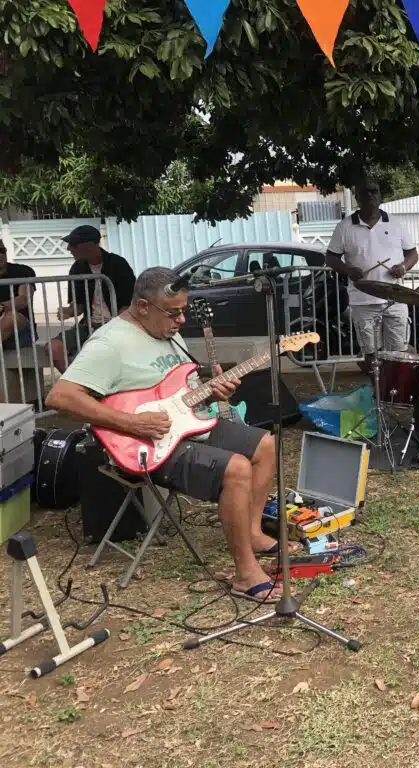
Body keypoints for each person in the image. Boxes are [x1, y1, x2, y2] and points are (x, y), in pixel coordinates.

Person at [45, 267, 293, 603]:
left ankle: (252, 533)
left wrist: (212, 391)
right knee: (236, 468)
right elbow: (60, 397)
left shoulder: (166, 333)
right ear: (142, 306)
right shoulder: (109, 343)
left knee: (265, 444)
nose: (181, 320)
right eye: (173, 312)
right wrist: (131, 423)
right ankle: (245, 575)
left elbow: (178, 392)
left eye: (183, 311)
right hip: (142, 444)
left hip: (183, 426)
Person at [326, 178, 419, 371]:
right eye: (364, 192)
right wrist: (348, 270)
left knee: (399, 351)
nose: (370, 196)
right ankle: (377, 385)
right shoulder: (344, 227)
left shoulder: (395, 224)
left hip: (395, 298)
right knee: (371, 354)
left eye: (374, 191)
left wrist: (403, 267)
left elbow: (412, 254)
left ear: (380, 196)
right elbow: (331, 257)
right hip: (363, 301)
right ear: (357, 198)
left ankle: (393, 387)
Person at [47, 225, 136, 372]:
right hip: (88, 325)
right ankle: (74, 381)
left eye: (73, 245)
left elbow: (129, 304)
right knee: (54, 348)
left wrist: (112, 328)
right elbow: (78, 307)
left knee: (99, 351)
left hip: (116, 325)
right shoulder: (77, 268)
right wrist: (68, 311)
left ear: (89, 246)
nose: (69, 249)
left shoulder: (118, 264)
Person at [0, 239, 37, 350]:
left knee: (12, 317)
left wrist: (2, 307)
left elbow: (24, 299)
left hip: (21, 330)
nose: (0, 255)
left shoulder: (22, 271)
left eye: (2, 250)